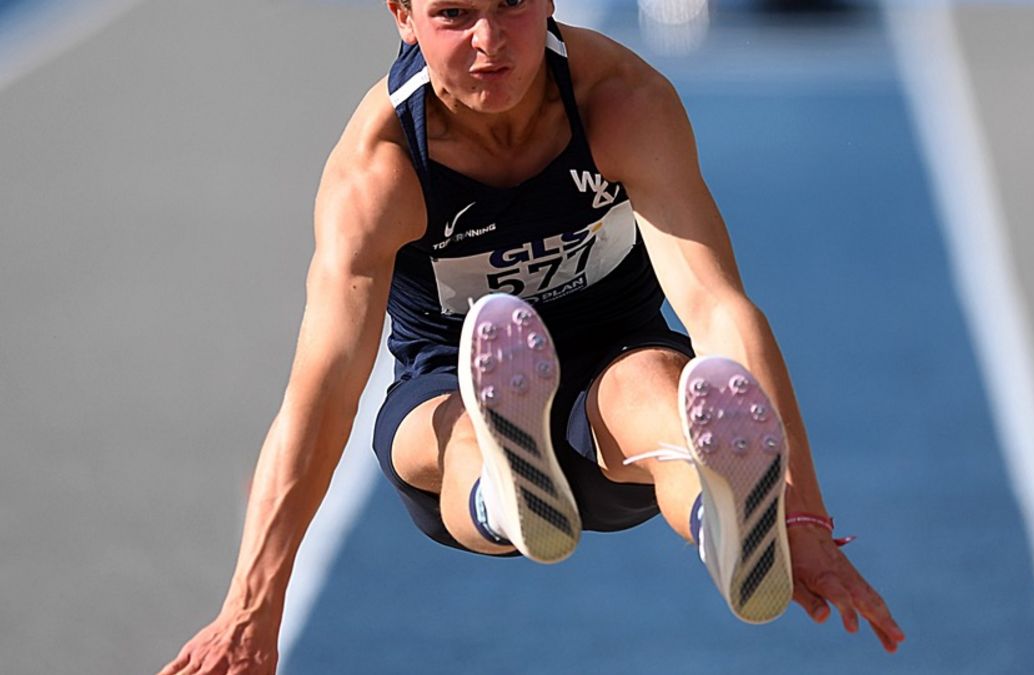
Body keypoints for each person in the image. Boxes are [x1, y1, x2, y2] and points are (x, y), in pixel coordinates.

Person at [159, 1, 905, 672]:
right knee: (458, 431)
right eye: (454, 14)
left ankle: (733, 531)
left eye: (511, 4)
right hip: (454, 382)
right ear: (403, 17)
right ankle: (506, 492)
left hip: (611, 368)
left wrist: (800, 515)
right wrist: (251, 606)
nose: (489, 40)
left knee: (658, 393)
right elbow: (322, 394)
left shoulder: (620, 101)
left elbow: (717, 308)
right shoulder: (378, 169)